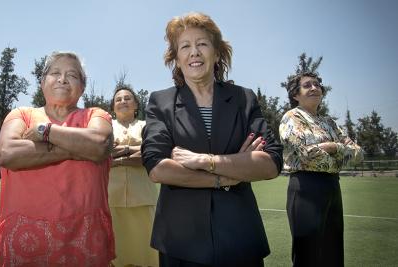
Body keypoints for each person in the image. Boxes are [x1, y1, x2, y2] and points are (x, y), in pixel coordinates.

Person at [141, 12, 283, 266]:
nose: (194, 52)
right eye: (185, 46)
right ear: (177, 59)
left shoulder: (243, 98)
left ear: (216, 54)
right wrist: (227, 175)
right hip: (180, 241)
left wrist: (205, 161)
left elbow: (270, 162)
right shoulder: (160, 101)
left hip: (240, 237)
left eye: (202, 44)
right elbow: (158, 167)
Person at [0, 51, 115, 266]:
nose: (62, 79)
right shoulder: (21, 114)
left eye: (72, 75)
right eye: (55, 72)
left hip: (85, 239)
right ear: (42, 82)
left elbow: (99, 144)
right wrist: (75, 149)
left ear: (83, 86)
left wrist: (45, 132)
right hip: (25, 240)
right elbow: (6, 153)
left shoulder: (96, 115)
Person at [279, 72, 363, 267]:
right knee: (308, 255)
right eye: (307, 85)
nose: (314, 88)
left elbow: (358, 154)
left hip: (332, 186)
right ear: (295, 95)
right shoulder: (291, 117)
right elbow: (305, 154)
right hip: (306, 187)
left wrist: (333, 147)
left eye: (317, 84)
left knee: (333, 252)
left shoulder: (329, 123)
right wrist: (341, 151)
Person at [109, 85, 159, 267]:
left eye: (127, 98)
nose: (123, 101)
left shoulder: (147, 126)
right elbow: (101, 153)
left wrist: (119, 156)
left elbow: (153, 153)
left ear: (136, 104)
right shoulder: (104, 127)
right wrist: (137, 150)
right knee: (115, 253)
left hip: (144, 199)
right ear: (113, 107)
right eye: (118, 99)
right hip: (111, 200)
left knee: (148, 252)